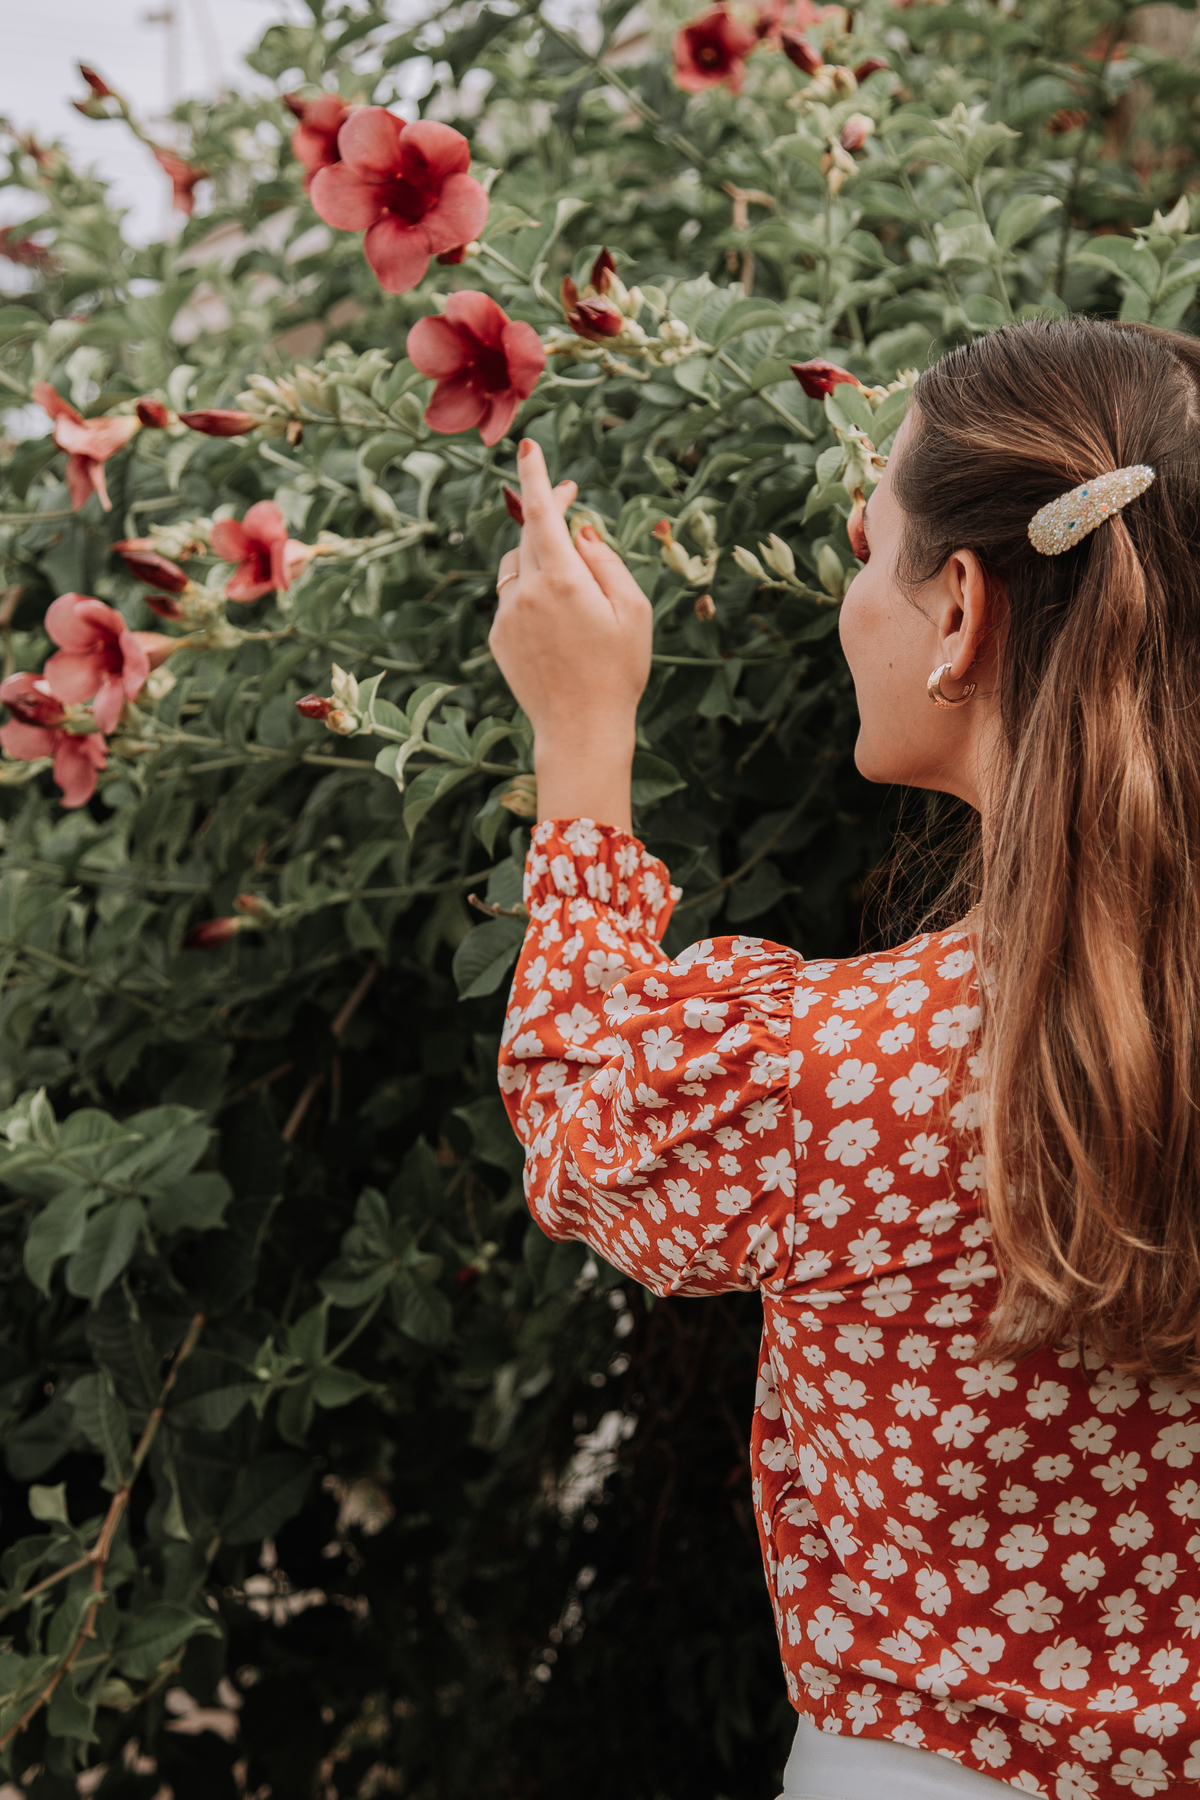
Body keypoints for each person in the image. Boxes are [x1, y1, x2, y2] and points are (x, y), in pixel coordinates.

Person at [488, 318, 1200, 1799]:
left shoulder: (848, 1074)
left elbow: (579, 1114)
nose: (847, 603)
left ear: (960, 612)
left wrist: (582, 735)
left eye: (871, 550)